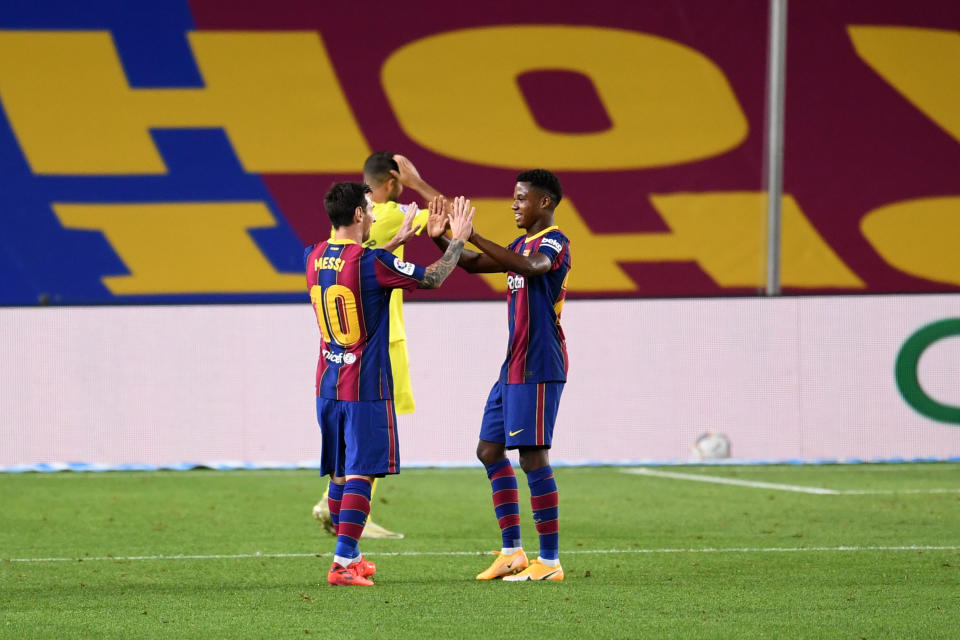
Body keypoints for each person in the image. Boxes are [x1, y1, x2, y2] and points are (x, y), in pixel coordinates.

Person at [306, 182, 472, 586]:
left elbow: (357, 265)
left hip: (328, 382)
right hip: (365, 385)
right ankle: (343, 563)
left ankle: (354, 555)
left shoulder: (312, 255)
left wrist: (396, 241)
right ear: (361, 215)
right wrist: (458, 241)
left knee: (341, 473)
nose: (374, 214)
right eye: (370, 209)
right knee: (363, 471)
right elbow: (432, 278)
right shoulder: (371, 262)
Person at [430, 169, 570, 582]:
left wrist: (471, 234)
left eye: (521, 198)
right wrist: (444, 237)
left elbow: (532, 267)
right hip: (512, 365)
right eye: (514, 197)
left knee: (531, 456)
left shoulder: (554, 243)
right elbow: (472, 266)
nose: (514, 204)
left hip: (539, 364)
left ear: (544, 202)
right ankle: (512, 552)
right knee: (489, 451)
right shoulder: (519, 244)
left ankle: (550, 561)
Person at [312, 152, 442, 539]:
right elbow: (453, 217)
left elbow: (370, 254)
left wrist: (399, 240)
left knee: (352, 438)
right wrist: (419, 183)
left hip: (332, 366)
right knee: (369, 443)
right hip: (377, 347)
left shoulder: (316, 254)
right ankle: (349, 537)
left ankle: (336, 505)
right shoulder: (386, 214)